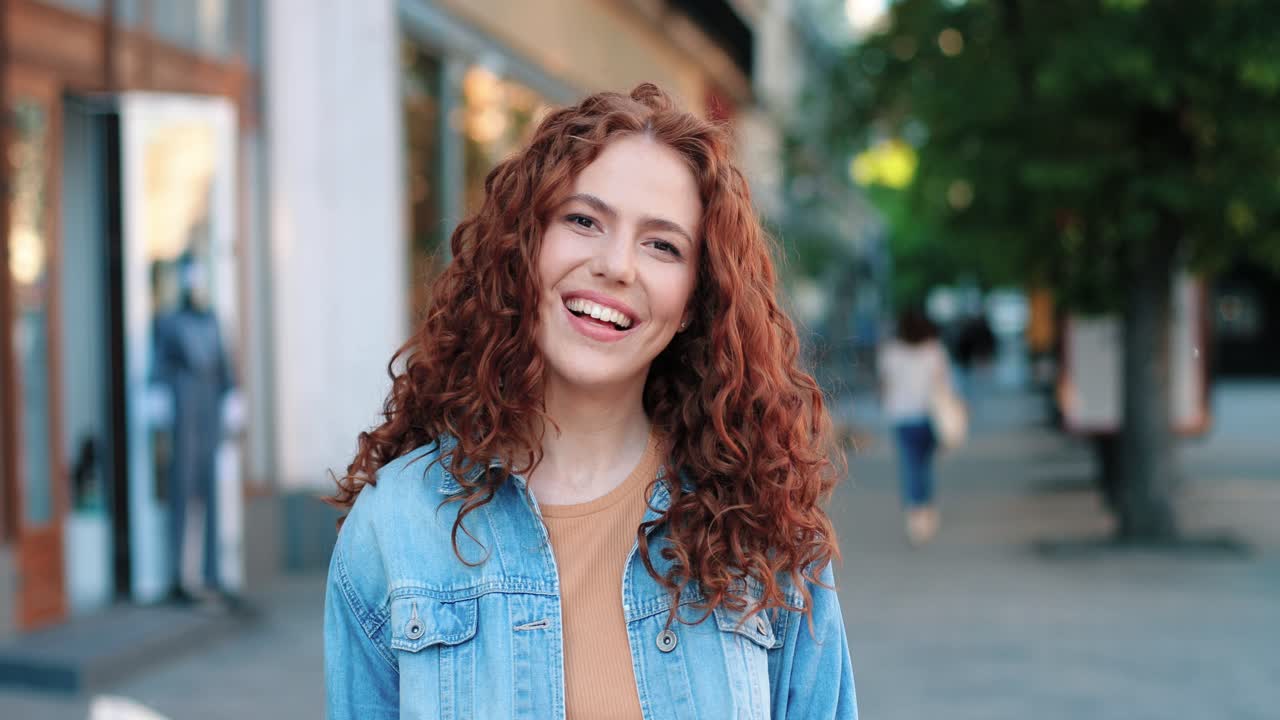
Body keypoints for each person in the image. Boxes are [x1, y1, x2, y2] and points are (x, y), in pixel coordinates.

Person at [324, 85, 857, 719]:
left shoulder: (760, 530)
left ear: (694, 300)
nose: (616, 266)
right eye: (583, 221)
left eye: (663, 245)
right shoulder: (397, 527)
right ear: (526, 246)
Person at [151, 252, 234, 604]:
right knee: (181, 493)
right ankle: (177, 576)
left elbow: (225, 367)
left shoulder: (214, 320)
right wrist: (156, 401)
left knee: (212, 496)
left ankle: (212, 574)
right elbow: (158, 366)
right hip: (183, 411)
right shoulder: (168, 322)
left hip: (209, 412)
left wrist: (233, 402)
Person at [877, 306, 953, 546]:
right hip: (929, 416)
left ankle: (916, 516)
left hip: (902, 417)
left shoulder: (891, 352)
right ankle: (926, 511)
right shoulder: (934, 350)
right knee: (925, 465)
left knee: (910, 467)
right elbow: (943, 384)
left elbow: (886, 385)